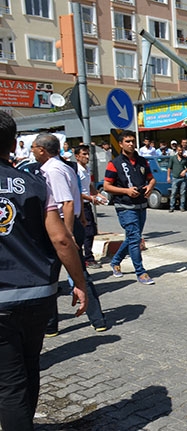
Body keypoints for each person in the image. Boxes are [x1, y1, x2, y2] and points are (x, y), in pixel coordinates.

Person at [0, 111, 87, 431]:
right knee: (29, 366)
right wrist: (80, 283)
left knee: (10, 384)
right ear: (13, 145)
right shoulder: (34, 182)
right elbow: (62, 239)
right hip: (36, 295)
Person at [32, 134, 107, 336]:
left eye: (33, 147)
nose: (31, 151)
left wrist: (68, 230)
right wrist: (81, 219)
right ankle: (92, 320)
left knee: (63, 275)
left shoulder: (53, 170)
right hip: (72, 223)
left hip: (62, 227)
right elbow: (75, 198)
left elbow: (66, 202)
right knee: (68, 273)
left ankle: (54, 324)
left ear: (42, 150)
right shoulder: (66, 167)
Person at [103, 130, 157, 285]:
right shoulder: (115, 164)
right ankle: (141, 272)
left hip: (141, 204)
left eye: (133, 141)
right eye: (127, 141)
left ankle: (115, 261)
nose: (131, 144)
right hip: (125, 205)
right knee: (135, 238)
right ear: (120, 144)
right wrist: (126, 191)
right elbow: (107, 186)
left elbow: (151, 179)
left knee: (133, 237)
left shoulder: (142, 161)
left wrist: (150, 186)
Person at [74, 145, 105, 268]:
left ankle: (86, 256)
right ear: (77, 156)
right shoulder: (76, 171)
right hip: (81, 205)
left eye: (88, 154)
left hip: (87, 205)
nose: (87, 157)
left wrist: (97, 194)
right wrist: (91, 198)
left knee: (91, 231)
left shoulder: (86, 169)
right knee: (87, 232)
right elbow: (76, 191)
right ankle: (87, 258)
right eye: (84, 154)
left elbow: (89, 185)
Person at [167, 143, 187, 212]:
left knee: (182, 193)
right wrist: (168, 177)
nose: (180, 152)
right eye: (179, 150)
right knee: (173, 193)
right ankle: (172, 207)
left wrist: (185, 171)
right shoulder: (173, 158)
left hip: (183, 178)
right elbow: (169, 168)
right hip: (175, 177)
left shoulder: (185, 158)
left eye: (181, 150)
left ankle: (182, 206)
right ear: (177, 150)